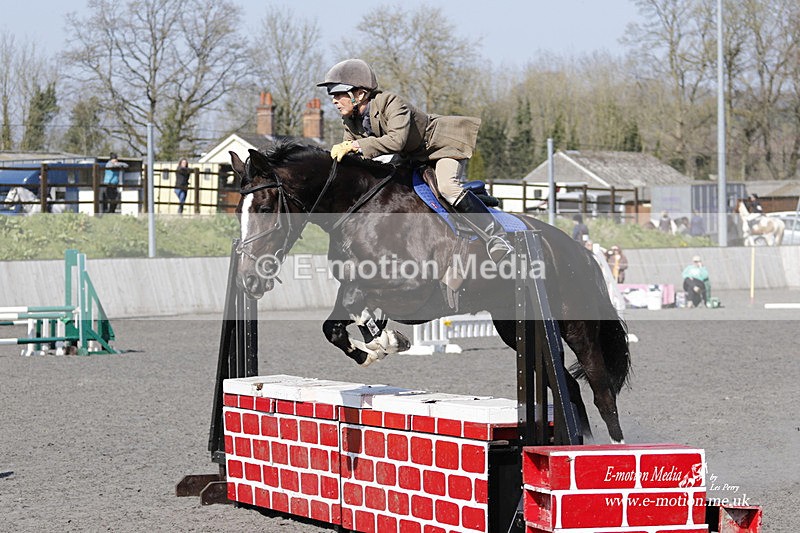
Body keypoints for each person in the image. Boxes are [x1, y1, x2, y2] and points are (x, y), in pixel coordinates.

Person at [317, 58, 513, 264]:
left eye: (339, 94)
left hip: (440, 148)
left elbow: (396, 140)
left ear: (360, 94)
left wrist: (356, 146)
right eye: (332, 95)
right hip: (412, 156)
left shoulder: (391, 102)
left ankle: (496, 236)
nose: (334, 101)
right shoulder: (350, 119)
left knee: (447, 187)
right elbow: (351, 152)